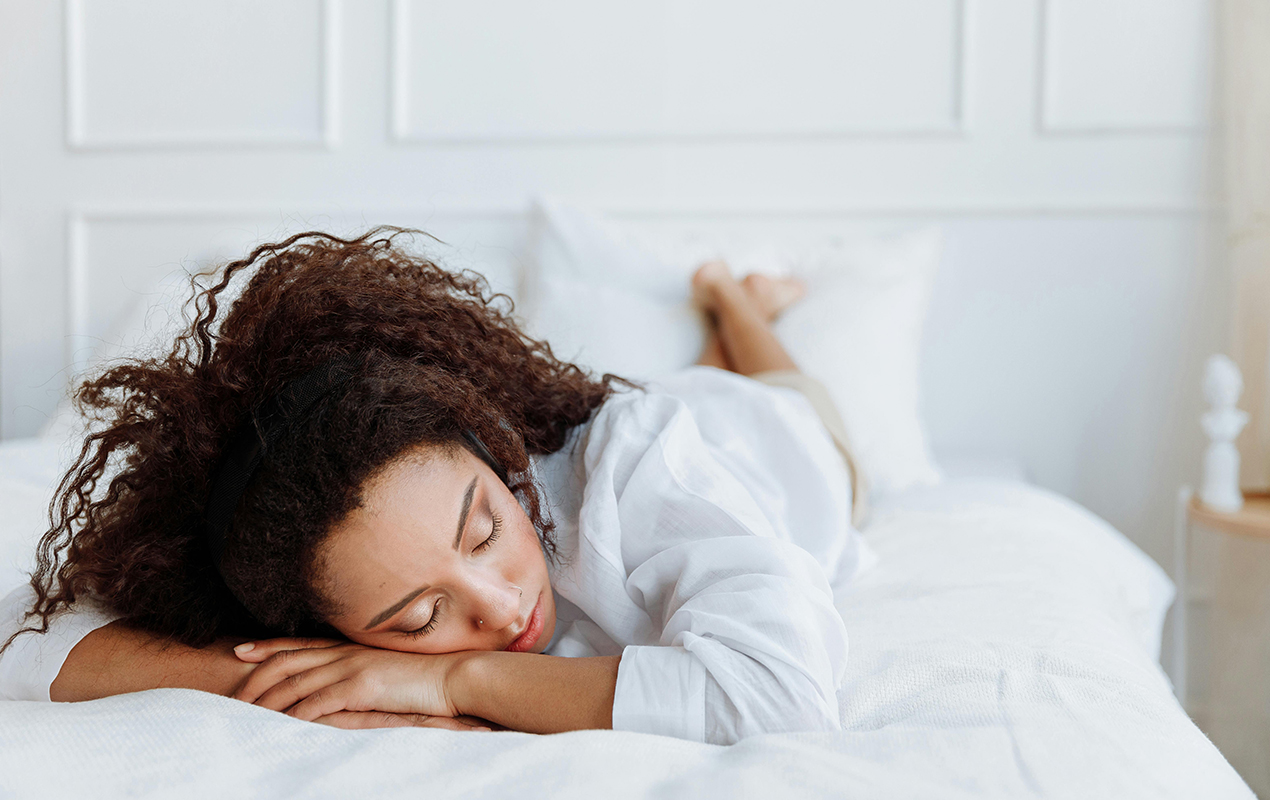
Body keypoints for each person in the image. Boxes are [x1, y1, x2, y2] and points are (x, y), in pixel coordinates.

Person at [0, 229, 871, 745]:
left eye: (485, 529)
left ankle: (734, 297)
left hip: (780, 443)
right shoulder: (313, 557)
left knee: (783, 389)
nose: (497, 612)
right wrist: (289, 679)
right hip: (680, 421)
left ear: (496, 452)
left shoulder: (637, 467)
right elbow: (16, 644)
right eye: (417, 618)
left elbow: (781, 695)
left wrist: (453, 681)